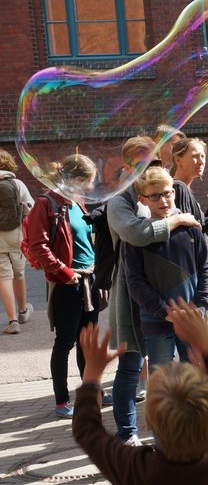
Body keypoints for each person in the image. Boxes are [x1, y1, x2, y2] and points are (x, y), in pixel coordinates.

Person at [72, 298, 208, 484]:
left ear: (150, 420)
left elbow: (86, 430)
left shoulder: (137, 469)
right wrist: (207, 343)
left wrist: (91, 375)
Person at [108, 136, 205, 445]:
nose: (148, 168)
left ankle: (187, 432)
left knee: (184, 370)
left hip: (170, 296)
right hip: (133, 296)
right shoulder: (119, 201)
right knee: (132, 365)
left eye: (153, 161)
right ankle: (128, 432)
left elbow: (200, 253)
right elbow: (136, 234)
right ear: (127, 168)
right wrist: (176, 221)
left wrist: (200, 304)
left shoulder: (165, 191)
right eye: (140, 164)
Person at [26, 154, 108, 418]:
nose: (90, 187)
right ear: (76, 178)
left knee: (88, 341)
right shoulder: (46, 203)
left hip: (89, 279)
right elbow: (39, 246)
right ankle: (61, 401)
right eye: (88, 181)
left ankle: (91, 392)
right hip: (67, 283)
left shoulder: (78, 203)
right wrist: (64, 272)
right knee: (65, 342)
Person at [124, 167, 208, 369]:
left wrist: (201, 305)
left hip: (192, 317)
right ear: (143, 200)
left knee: (196, 374)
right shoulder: (139, 237)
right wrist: (164, 311)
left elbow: (205, 268)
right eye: (154, 196)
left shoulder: (191, 228)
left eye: (166, 194)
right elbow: (135, 282)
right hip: (156, 320)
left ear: (174, 192)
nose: (163, 201)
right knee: (162, 377)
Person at [171, 137, 208, 337]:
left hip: (195, 266)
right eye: (195, 156)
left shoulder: (183, 188)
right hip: (196, 268)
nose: (201, 161)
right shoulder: (179, 188)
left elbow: (197, 225)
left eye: (203, 156)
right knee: (204, 330)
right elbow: (191, 232)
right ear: (178, 160)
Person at [0, 150, 34, 334]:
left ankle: (13, 321)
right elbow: (31, 208)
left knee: (3, 277)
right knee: (18, 274)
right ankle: (22, 311)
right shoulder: (17, 183)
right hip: (16, 234)